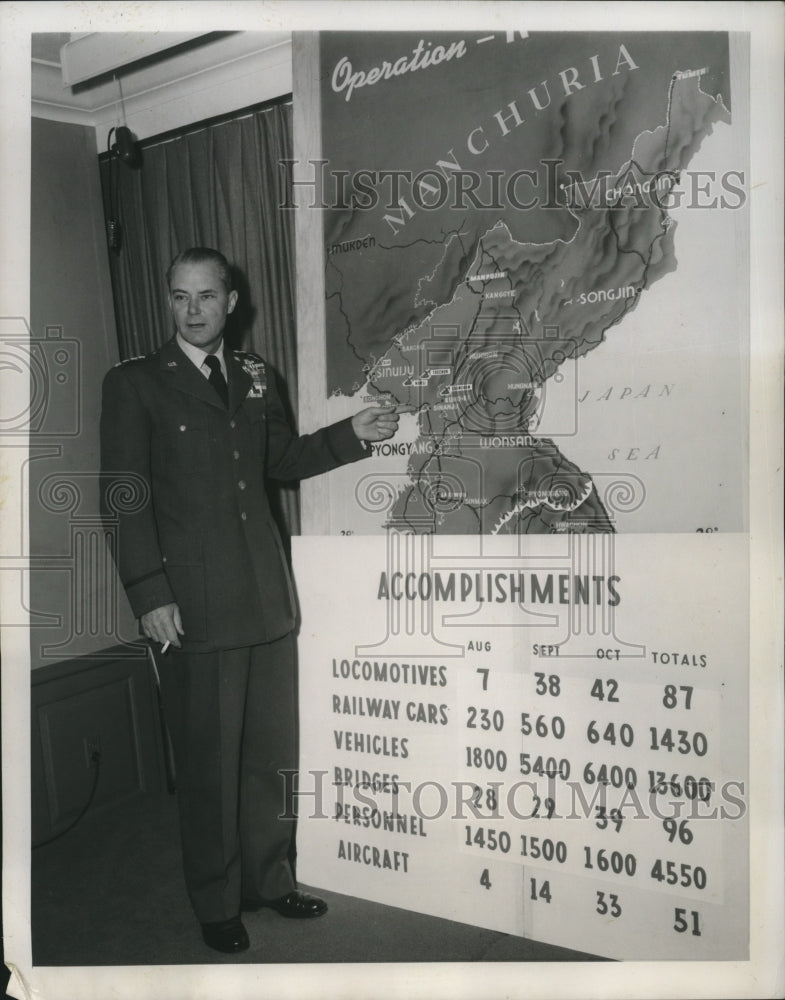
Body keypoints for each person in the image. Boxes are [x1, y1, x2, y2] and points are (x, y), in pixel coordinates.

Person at [100, 247, 399, 953]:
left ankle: (269, 880)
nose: (193, 310)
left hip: (265, 598)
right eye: (180, 297)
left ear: (231, 302)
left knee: (269, 756)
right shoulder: (136, 382)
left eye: (206, 296)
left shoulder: (257, 375)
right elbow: (122, 498)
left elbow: (279, 462)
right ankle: (215, 899)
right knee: (209, 765)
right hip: (192, 608)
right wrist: (149, 594)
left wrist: (348, 435)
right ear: (168, 301)